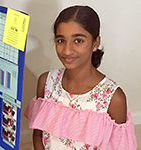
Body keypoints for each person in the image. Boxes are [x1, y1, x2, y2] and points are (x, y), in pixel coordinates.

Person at [24, 5, 137, 150]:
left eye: (78, 41)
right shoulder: (46, 82)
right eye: (61, 40)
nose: (67, 50)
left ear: (95, 43)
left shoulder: (113, 98)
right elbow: (38, 134)